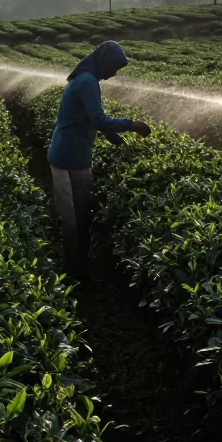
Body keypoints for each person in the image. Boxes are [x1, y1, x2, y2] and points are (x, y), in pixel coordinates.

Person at [47, 41, 151, 280]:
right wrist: (131, 125)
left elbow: (89, 116)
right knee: (72, 218)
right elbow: (98, 118)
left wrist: (109, 133)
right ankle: (73, 269)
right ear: (103, 63)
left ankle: (81, 262)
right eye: (114, 68)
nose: (114, 74)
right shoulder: (86, 82)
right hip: (65, 157)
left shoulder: (87, 80)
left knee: (82, 212)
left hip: (80, 156)